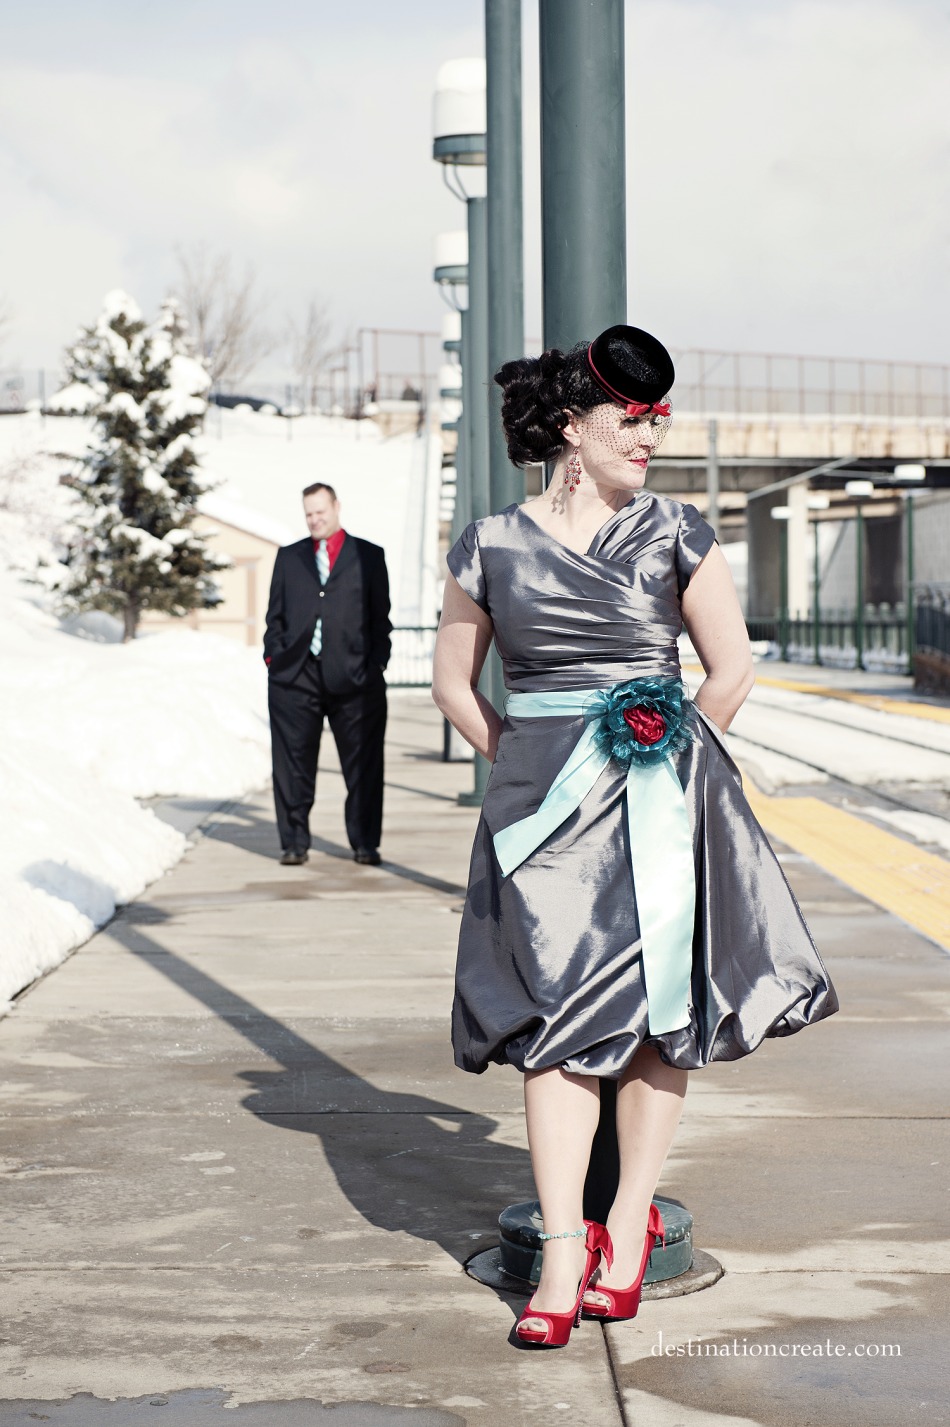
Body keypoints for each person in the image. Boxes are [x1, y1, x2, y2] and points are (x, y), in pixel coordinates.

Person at [432, 325, 838, 1349]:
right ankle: (561, 1249)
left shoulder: (675, 531)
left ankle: (621, 1228)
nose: (649, 436)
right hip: (542, 820)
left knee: (661, 1015)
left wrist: (669, 757)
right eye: (631, 419)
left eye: (656, 420)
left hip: (660, 805)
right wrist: (522, 764)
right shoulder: (487, 542)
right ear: (570, 425)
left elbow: (730, 668)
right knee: (551, 1024)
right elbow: (451, 681)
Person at [264, 481, 392, 867]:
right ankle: (293, 842)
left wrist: (375, 665)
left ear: (337, 507)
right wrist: (274, 658)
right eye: (309, 514)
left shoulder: (369, 556)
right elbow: (276, 618)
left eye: (320, 511)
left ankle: (365, 843)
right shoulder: (289, 558)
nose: (315, 519)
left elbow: (379, 620)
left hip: (356, 681)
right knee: (292, 765)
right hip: (295, 678)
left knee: (364, 767)